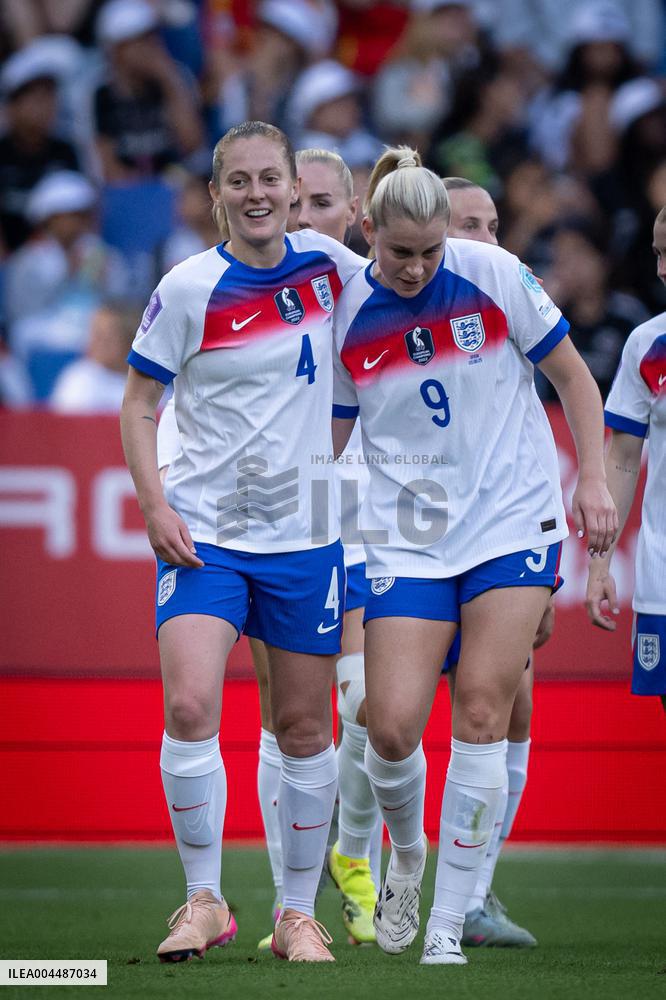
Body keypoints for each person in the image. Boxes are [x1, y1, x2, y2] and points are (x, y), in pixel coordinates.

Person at [331, 146, 617, 966]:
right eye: (401, 252)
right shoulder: (347, 308)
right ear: (370, 230)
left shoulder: (493, 273)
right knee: (391, 728)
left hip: (510, 522)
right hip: (408, 533)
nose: (418, 267)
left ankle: (448, 926)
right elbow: (334, 435)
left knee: (485, 713)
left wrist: (593, 478)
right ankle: (407, 857)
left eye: (431, 251)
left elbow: (575, 378)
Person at [120, 120, 363, 964]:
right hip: (206, 535)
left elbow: (414, 281)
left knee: (303, 728)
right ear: (216, 194)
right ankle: (203, 900)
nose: (256, 194)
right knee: (190, 706)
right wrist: (154, 506)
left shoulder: (331, 268)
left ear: (294, 189)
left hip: (304, 537)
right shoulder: (188, 288)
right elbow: (138, 405)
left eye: (270, 179)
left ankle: (296, 916)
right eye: (239, 181)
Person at [440, 175, 554, 948]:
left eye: (491, 224)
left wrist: (551, 555)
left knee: (507, 708)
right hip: (409, 541)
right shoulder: (391, 306)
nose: (485, 240)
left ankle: (474, 893)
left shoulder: (512, 298)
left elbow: (537, 431)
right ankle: (363, 878)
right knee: (378, 717)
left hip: (503, 535)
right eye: (467, 225)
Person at [586, 205, 666, 709]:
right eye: (658, 253)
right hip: (663, 579)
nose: (662, 269)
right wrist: (599, 564)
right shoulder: (648, 343)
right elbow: (622, 460)